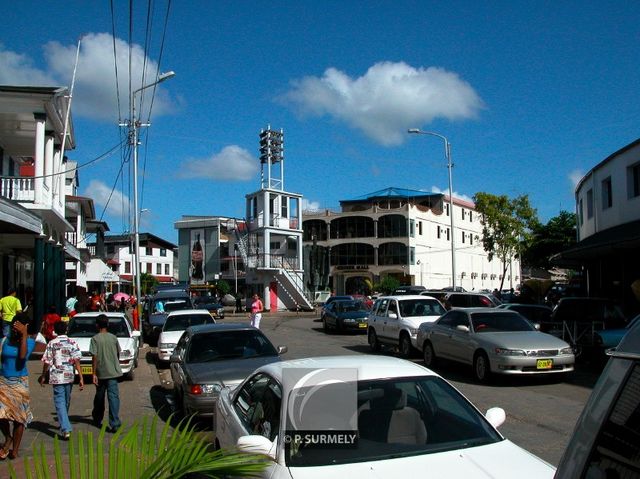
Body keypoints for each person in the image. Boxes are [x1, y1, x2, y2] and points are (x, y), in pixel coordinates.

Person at [38, 321, 84, 439]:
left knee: (62, 401)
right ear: (66, 330)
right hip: (69, 375)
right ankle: (65, 427)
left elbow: (47, 361)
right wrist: (81, 376)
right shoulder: (72, 343)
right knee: (63, 400)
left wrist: (43, 375)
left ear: (55, 331)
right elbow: (77, 360)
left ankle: (64, 423)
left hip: (57, 376)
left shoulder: (52, 343)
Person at [0, 313, 36, 460]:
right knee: (1, 415)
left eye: (19, 327)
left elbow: (22, 356)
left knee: (18, 418)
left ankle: (15, 449)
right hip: (3, 381)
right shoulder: (4, 341)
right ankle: (8, 437)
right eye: (14, 327)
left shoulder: (29, 342)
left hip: (20, 382)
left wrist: (24, 334)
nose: (15, 330)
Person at [90, 314, 122, 433]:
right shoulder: (113, 338)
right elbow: (118, 353)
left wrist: (93, 373)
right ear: (107, 324)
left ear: (97, 325)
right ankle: (114, 423)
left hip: (101, 372)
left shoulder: (95, 339)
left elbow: (94, 356)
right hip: (113, 372)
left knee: (99, 396)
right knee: (113, 397)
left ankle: (97, 417)